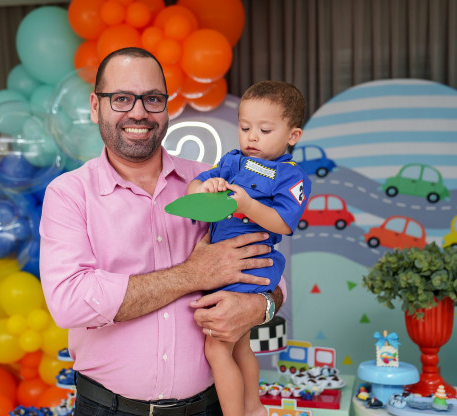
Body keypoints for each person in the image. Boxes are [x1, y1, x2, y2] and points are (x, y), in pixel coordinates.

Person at [39, 47, 286, 416]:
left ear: (168, 107)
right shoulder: (69, 194)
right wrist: (194, 274)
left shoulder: (211, 183)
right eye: (121, 98)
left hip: (209, 408)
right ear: (95, 106)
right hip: (108, 409)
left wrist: (258, 306)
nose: (139, 112)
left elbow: (268, 270)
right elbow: (70, 301)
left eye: (152, 98)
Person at [186, 80, 311, 416]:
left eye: (265, 130)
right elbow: (195, 187)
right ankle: (254, 408)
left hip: (249, 267)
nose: (252, 137)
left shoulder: (291, 176)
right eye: (245, 128)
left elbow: (283, 223)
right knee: (240, 346)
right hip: (221, 267)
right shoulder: (232, 161)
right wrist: (205, 187)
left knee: (216, 349)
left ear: (292, 135)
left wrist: (248, 205)